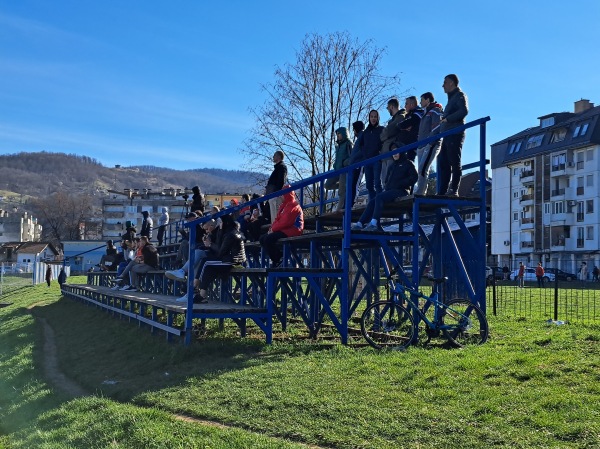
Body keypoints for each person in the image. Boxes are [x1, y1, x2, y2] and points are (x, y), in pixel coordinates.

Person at [351, 151, 418, 232]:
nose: (395, 154)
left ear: (402, 152)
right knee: (372, 201)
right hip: (391, 191)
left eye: (397, 152)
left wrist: (402, 183)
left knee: (379, 197)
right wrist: (387, 186)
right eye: (393, 153)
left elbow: (414, 177)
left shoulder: (408, 163)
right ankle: (360, 223)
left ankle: (374, 223)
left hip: (402, 191)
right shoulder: (392, 165)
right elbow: (386, 180)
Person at [189, 214, 247, 304]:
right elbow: (220, 248)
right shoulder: (226, 232)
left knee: (206, 262)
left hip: (233, 261)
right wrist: (217, 234)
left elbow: (220, 252)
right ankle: (202, 295)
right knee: (208, 268)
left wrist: (210, 244)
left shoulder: (231, 234)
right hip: (227, 259)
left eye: (221, 222)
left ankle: (194, 286)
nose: (219, 224)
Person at [438, 74, 469, 196]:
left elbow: (464, 111)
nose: (443, 85)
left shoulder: (459, 96)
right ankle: (442, 191)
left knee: (454, 161)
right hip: (446, 135)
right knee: (443, 163)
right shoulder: (451, 99)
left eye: (445, 82)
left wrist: (447, 119)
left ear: (451, 83)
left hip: (455, 133)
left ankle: (453, 189)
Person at [259, 185, 304, 267]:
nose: (280, 196)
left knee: (268, 239)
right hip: (285, 229)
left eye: (282, 194)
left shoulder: (294, 205)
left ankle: (279, 258)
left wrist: (273, 229)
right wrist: (271, 229)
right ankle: (278, 258)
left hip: (293, 229)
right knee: (262, 238)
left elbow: (286, 221)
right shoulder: (284, 206)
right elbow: (277, 220)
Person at [415, 92, 444, 195]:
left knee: (423, 168)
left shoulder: (435, 110)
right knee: (420, 170)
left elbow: (437, 127)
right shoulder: (425, 113)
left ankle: (420, 193)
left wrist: (430, 142)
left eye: (422, 99)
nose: (420, 102)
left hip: (431, 144)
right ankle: (420, 191)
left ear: (427, 100)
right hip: (421, 145)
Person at [357, 110, 384, 200]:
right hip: (367, 161)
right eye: (371, 116)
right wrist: (364, 155)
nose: (373, 118)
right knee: (369, 185)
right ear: (369, 118)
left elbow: (385, 142)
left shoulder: (381, 130)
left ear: (378, 118)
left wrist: (380, 152)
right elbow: (360, 145)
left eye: (375, 117)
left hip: (377, 160)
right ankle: (372, 202)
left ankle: (380, 201)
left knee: (377, 183)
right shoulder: (365, 132)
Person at [325, 127, 353, 211]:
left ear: (344, 134)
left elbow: (352, 157)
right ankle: (345, 186)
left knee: (341, 192)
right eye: (337, 134)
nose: (338, 136)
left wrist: (346, 162)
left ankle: (339, 209)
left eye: (339, 134)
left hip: (344, 170)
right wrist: (335, 164)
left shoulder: (348, 143)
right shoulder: (338, 145)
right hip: (337, 169)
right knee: (327, 185)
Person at [379, 98, 407, 185]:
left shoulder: (401, 116)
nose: (388, 110)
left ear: (392, 106)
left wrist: (384, 134)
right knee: (384, 180)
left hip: (392, 153)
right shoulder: (392, 120)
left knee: (390, 179)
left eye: (388, 108)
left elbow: (389, 131)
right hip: (385, 154)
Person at [391, 96, 423, 161]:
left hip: (413, 143)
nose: (405, 106)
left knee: (409, 162)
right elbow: (401, 125)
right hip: (406, 143)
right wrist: (402, 127)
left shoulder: (418, 113)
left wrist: (402, 126)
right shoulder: (409, 115)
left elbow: (407, 123)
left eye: (406, 104)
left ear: (412, 104)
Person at [265, 151, 288, 224]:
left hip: (276, 196)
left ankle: (276, 230)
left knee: (276, 216)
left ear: (279, 157)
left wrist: (277, 193)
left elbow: (281, 181)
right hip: (272, 196)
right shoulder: (278, 168)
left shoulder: (282, 167)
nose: (273, 157)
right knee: (273, 216)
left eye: (274, 155)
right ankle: (274, 229)